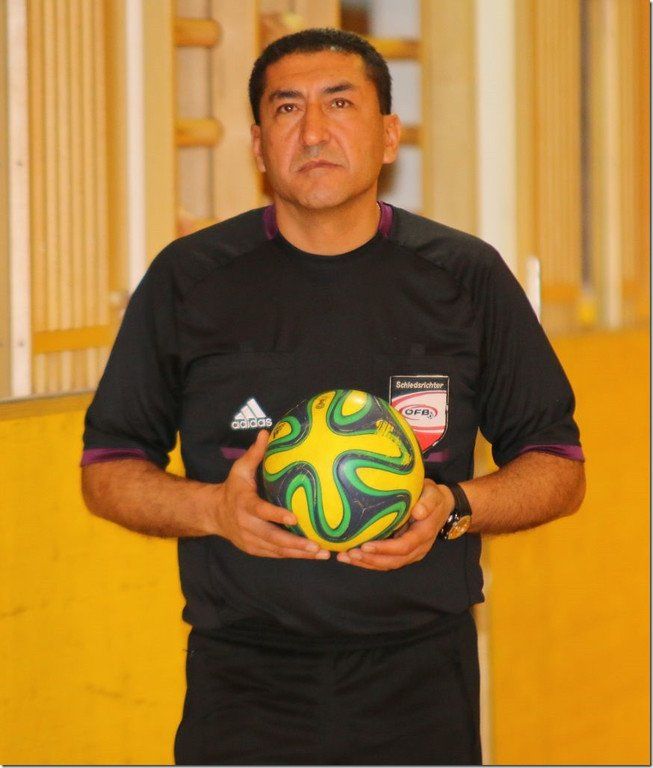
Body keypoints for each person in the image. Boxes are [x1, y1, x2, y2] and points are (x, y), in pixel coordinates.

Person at [80, 28, 585, 766]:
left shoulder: (465, 277)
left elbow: (558, 465)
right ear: (258, 147)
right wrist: (214, 511)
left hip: (420, 682)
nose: (313, 131)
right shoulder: (191, 280)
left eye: (340, 103)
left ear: (389, 136)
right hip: (243, 684)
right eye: (287, 109)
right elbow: (106, 469)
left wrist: (454, 508)